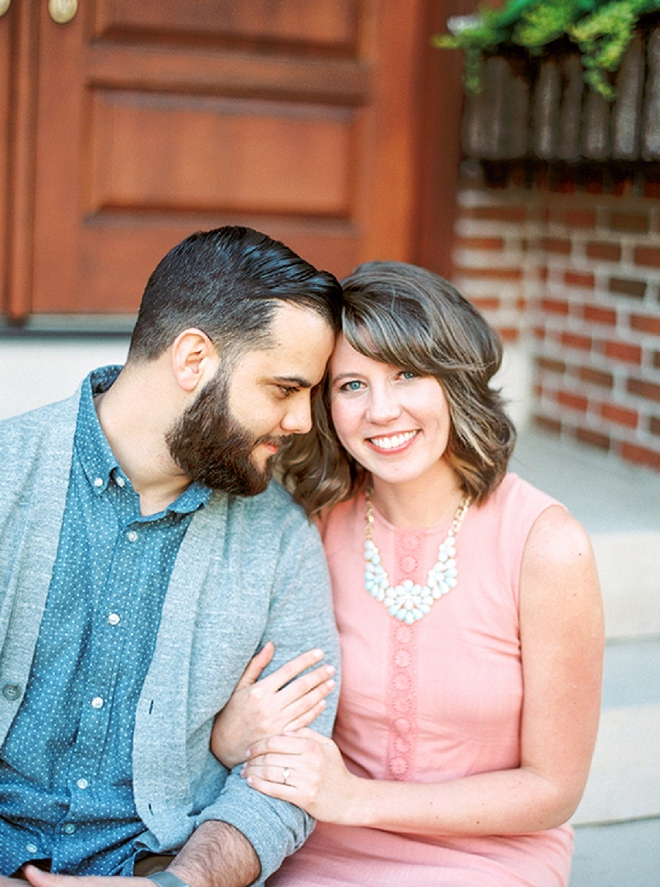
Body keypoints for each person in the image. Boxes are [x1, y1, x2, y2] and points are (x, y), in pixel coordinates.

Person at [212, 261, 605, 886]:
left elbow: (553, 789)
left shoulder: (546, 546)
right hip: (318, 849)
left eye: (408, 374)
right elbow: (251, 709)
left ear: (456, 381)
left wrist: (358, 800)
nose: (382, 411)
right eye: (351, 386)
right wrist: (228, 737)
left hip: (489, 859)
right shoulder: (307, 528)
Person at [0, 227, 344, 887]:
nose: (302, 420)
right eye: (283, 388)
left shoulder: (279, 539)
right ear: (193, 359)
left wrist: (180, 884)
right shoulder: (9, 474)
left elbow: (285, 776)